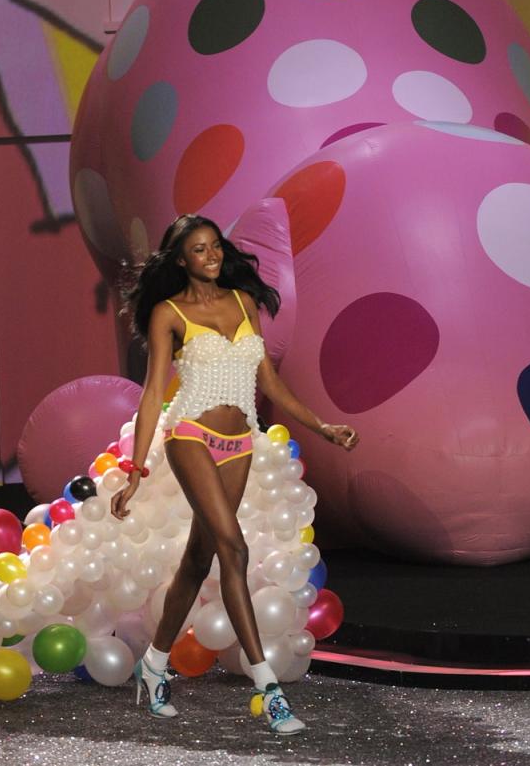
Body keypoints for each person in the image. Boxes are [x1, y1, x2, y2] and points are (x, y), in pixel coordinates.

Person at [113, 213, 358, 733]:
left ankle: (154, 665)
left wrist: (322, 426)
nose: (211, 255)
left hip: (238, 441)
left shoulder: (245, 304)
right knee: (235, 549)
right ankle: (268, 689)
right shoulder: (168, 313)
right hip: (190, 437)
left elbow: (269, 380)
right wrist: (136, 469)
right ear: (181, 260)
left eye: (215, 246)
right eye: (199, 250)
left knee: (198, 559)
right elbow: (155, 392)